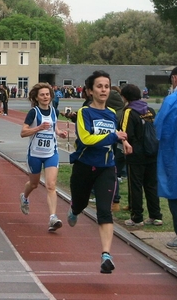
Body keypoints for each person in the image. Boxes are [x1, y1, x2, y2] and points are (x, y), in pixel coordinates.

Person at [67, 70, 132, 274]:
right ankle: (75, 209)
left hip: (106, 168)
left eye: (106, 86)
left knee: (105, 210)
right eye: (99, 86)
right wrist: (114, 137)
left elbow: (116, 134)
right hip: (84, 166)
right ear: (89, 91)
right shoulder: (84, 113)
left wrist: (125, 142)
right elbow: (86, 139)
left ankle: (106, 255)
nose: (103, 90)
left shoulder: (112, 114)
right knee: (81, 203)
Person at [19, 82, 67, 232]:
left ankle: (52, 218)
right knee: (33, 184)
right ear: (37, 97)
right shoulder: (33, 113)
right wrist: (38, 128)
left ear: (51, 96)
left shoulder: (55, 111)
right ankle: (24, 197)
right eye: (42, 95)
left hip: (51, 153)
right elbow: (23, 132)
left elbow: (54, 127)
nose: (45, 97)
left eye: (47, 94)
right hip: (35, 154)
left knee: (51, 185)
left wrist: (59, 133)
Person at [119, 84, 162, 226]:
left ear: (125, 97)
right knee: (151, 185)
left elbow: (125, 133)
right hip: (152, 152)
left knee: (135, 186)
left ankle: (137, 217)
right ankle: (156, 216)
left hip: (135, 154)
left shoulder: (129, 111)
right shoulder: (149, 110)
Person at [154, 66, 177, 250]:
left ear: (173, 79)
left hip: (175, 154)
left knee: (176, 194)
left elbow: (158, 128)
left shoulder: (172, 100)